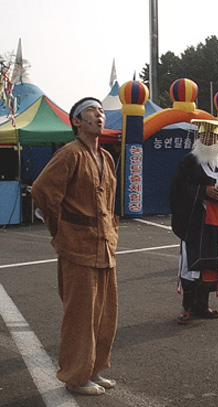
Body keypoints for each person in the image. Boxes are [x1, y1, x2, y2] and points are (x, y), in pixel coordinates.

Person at [31, 97, 119, 396]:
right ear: (77, 122)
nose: (100, 115)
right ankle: (75, 376)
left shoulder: (106, 158)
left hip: (104, 248)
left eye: (102, 111)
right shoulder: (70, 154)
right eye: (92, 111)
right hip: (77, 249)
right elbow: (42, 191)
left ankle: (93, 369)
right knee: (79, 317)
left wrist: (113, 232)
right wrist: (60, 230)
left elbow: (110, 201)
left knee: (104, 315)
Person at [170, 121, 218, 325]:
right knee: (192, 265)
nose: (210, 140)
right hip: (195, 222)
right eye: (206, 136)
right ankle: (187, 307)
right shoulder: (189, 161)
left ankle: (203, 304)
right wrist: (202, 191)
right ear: (200, 138)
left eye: (214, 137)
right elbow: (178, 189)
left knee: (212, 264)